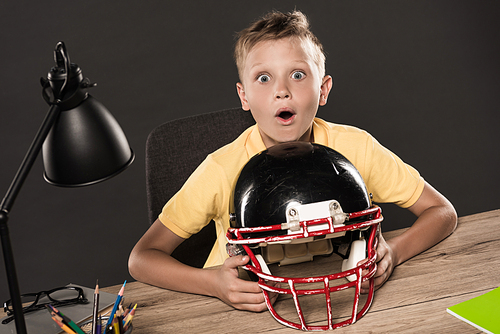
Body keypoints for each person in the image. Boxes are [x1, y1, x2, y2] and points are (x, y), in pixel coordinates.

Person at [128, 10, 457, 313]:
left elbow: (441, 211)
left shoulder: (356, 148)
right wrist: (214, 284)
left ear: (323, 89)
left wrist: (395, 252)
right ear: (244, 96)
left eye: (297, 74)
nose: (281, 91)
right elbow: (142, 259)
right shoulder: (221, 169)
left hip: (344, 295)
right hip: (246, 307)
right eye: (264, 78)